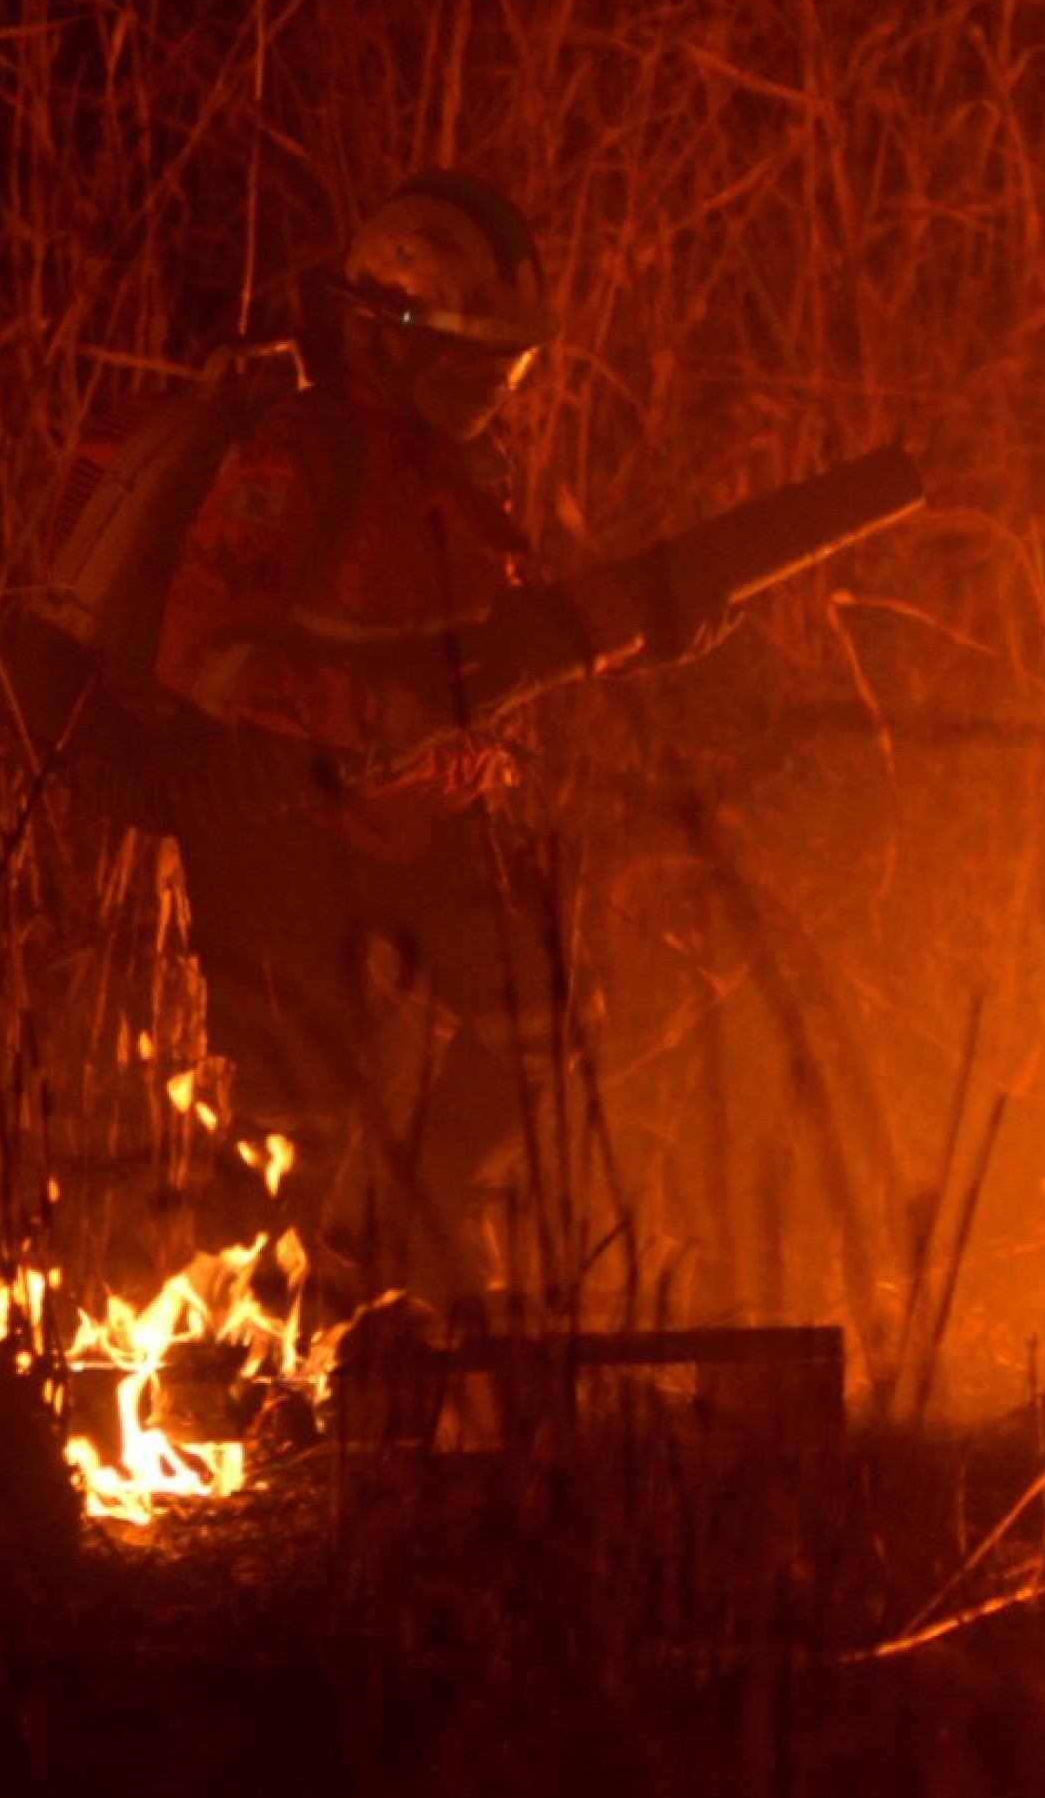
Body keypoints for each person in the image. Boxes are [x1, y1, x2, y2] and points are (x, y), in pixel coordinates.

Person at [152, 170, 663, 1300]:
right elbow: (197, 656)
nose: (493, 387)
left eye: (509, 362)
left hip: (425, 814)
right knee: (300, 1130)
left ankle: (407, 1238)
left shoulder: (459, 480)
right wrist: (361, 714)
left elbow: (491, 649)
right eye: (470, 359)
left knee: (547, 1017)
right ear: (385, 340)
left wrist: (638, 625)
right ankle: (241, 1360)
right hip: (281, 834)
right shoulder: (296, 460)